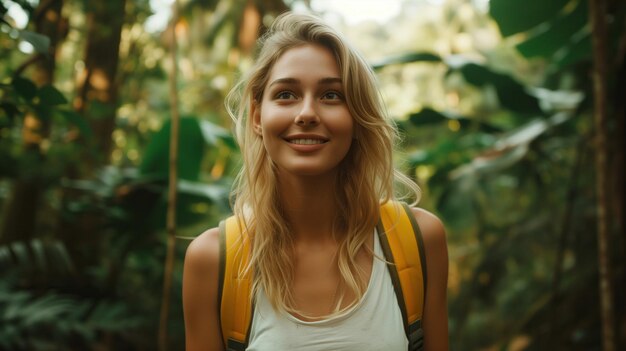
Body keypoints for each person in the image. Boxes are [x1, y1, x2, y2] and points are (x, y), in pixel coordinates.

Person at [183, 12, 449, 351]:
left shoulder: (418, 241)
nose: (306, 113)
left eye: (331, 96)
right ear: (256, 116)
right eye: (286, 95)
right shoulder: (213, 261)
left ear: (357, 118)